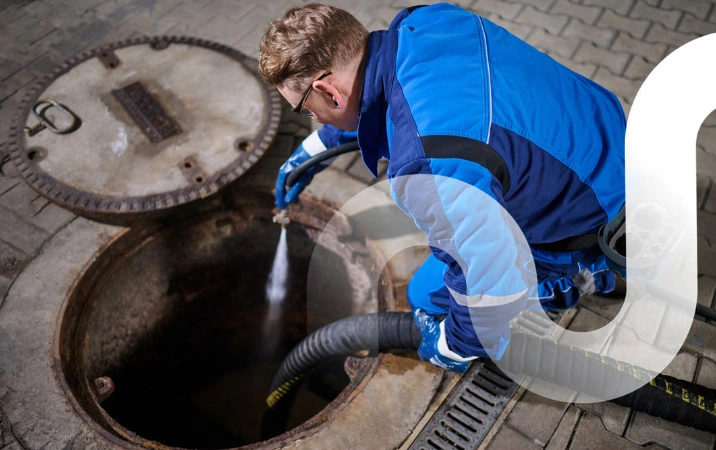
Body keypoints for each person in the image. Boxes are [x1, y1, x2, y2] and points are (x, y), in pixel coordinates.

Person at [258, 3, 625, 373]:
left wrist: (456, 345)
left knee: (426, 297)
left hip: (588, 211)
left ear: (328, 92)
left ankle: (584, 275)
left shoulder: (426, 165)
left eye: (305, 109)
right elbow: (368, 95)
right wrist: (315, 148)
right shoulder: (426, 21)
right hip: (605, 136)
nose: (312, 118)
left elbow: (491, 274)